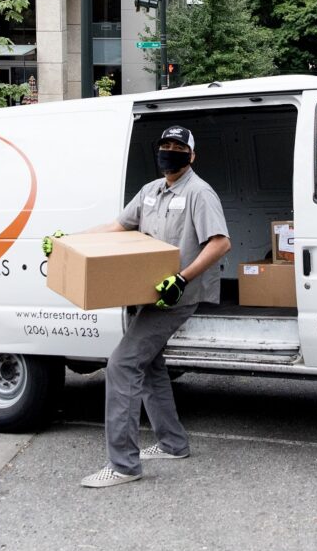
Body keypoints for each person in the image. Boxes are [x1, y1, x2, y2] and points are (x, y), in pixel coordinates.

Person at [75, 126, 230, 489]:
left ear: (191, 155)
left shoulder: (199, 193)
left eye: (179, 147)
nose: (170, 151)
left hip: (177, 297)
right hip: (150, 294)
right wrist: (70, 241)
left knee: (123, 365)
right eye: (165, 145)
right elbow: (117, 226)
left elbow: (221, 243)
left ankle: (124, 465)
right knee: (151, 365)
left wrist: (182, 280)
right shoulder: (149, 191)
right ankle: (172, 443)